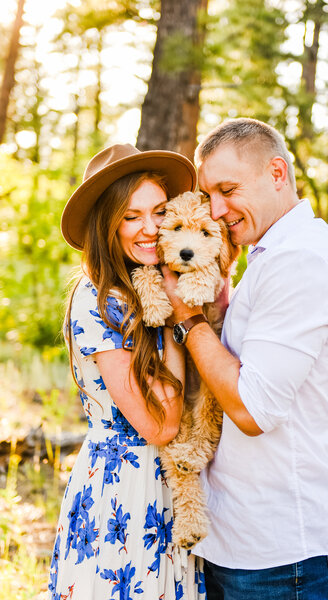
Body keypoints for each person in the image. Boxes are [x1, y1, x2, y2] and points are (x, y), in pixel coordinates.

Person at [161, 118, 328, 600]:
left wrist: (189, 319)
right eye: (209, 195)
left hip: (282, 555)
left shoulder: (301, 260)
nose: (217, 209)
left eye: (228, 189)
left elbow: (252, 411)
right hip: (241, 541)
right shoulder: (269, 253)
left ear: (277, 173)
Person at [48, 143, 206, 600]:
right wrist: (179, 318)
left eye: (159, 211)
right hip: (124, 489)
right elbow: (161, 424)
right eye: (132, 216)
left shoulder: (146, 285)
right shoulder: (98, 301)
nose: (151, 229)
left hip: (168, 488)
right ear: (108, 225)